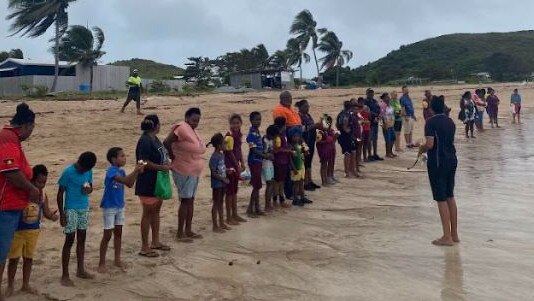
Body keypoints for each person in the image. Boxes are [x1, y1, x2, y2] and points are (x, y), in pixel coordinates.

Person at [0, 103, 38, 301]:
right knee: (1, 251)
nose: (30, 134)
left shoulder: (12, 138)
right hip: (5, 205)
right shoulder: (8, 138)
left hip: (12, 205)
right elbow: (11, 171)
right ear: (26, 126)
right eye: (31, 129)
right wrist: (31, 189)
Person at [6, 165, 58, 297]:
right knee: (14, 259)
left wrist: (52, 216)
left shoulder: (42, 194)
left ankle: (25, 284)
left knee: (28, 258)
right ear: (30, 180)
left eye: (44, 183)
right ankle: (10, 285)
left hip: (33, 231)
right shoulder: (22, 192)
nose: (41, 185)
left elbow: (45, 210)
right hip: (17, 232)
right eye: (38, 182)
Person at [418, 95, 459, 247]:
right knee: (450, 196)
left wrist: (420, 147)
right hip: (452, 159)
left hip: (438, 162)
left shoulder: (430, 122)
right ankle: (454, 234)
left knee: (441, 198)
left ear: (431, 108)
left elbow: (429, 144)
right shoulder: (450, 121)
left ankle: (446, 237)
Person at [98, 147, 144, 273]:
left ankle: (117, 259)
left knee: (118, 233)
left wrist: (137, 172)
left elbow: (129, 184)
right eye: (122, 156)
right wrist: (136, 171)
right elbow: (125, 181)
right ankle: (101, 262)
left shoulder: (121, 171)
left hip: (119, 205)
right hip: (109, 205)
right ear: (114, 159)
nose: (124, 158)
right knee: (107, 235)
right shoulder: (111, 171)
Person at [163, 108, 207, 241]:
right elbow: (166, 142)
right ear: (187, 118)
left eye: (197, 121)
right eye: (193, 120)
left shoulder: (192, 130)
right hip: (183, 169)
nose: (195, 123)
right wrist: (173, 157)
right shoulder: (181, 128)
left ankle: (188, 229)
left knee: (190, 200)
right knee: (185, 200)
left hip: (193, 169)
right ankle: (180, 233)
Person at [57, 151, 97, 286]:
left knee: (82, 237)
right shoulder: (68, 172)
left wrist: (89, 190)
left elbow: (90, 187)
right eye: (83, 168)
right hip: (71, 207)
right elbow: (60, 193)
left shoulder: (88, 171)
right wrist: (62, 214)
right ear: (79, 163)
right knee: (69, 239)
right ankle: (65, 274)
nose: (84, 171)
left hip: (83, 207)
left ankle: (80, 269)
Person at [136, 115, 172, 255]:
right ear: (156, 125)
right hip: (147, 181)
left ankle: (155, 241)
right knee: (147, 213)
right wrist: (160, 167)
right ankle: (145, 247)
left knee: (156, 211)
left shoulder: (153, 138)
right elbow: (142, 161)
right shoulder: (145, 140)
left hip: (157, 181)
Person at [272, 91, 302, 200]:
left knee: (296, 165)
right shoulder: (279, 110)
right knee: (288, 169)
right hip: (287, 140)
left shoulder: (291, 108)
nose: (290, 99)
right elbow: (282, 126)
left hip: (295, 139)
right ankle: (288, 192)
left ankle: (295, 190)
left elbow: (297, 122)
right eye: (287, 97)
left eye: (290, 97)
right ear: (282, 98)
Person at [223, 114, 247, 224]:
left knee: (234, 191)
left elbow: (239, 149)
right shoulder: (230, 136)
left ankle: (235, 214)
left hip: (235, 165)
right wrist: (237, 166)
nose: (235, 125)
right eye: (233, 123)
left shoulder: (239, 135)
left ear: (241, 123)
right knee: (229, 192)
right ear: (230, 124)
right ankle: (229, 217)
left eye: (237, 123)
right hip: (229, 166)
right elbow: (229, 152)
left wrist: (242, 162)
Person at [296, 99, 322, 191]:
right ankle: (305, 183)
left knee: (309, 162)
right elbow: (301, 129)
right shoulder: (298, 116)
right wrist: (314, 126)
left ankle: (309, 181)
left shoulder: (308, 115)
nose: (308, 108)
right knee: (305, 162)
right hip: (304, 142)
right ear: (300, 107)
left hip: (311, 141)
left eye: (308, 106)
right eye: (306, 106)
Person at [207, 133, 230, 233]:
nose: (225, 146)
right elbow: (213, 173)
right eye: (224, 144)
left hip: (222, 182)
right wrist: (223, 179)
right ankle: (215, 225)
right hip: (217, 184)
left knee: (221, 202)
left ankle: (221, 222)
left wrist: (227, 170)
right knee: (216, 203)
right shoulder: (214, 157)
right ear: (219, 145)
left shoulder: (221, 155)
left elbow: (221, 168)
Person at [246, 112, 267, 217]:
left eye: (259, 119)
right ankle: (251, 208)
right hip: (254, 161)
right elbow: (253, 150)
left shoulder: (257, 132)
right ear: (251, 121)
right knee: (256, 185)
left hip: (258, 161)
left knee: (257, 185)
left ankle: (256, 207)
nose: (258, 122)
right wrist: (265, 156)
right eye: (256, 120)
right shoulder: (251, 134)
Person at [273, 117, 293, 208]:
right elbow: (277, 150)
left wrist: (288, 147)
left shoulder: (283, 135)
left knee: (281, 181)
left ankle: (281, 199)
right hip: (279, 162)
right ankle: (277, 201)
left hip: (284, 161)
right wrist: (287, 150)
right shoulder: (277, 136)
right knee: (278, 182)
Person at [288, 127, 311, 206]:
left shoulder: (299, 145)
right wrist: (293, 168)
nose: (297, 138)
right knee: (295, 184)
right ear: (291, 137)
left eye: (298, 136)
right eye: (295, 136)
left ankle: (302, 197)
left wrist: (305, 153)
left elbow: (301, 155)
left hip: (301, 166)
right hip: (296, 168)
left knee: (301, 182)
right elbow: (290, 159)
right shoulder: (291, 146)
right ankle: (295, 199)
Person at [336, 101, 356, 177]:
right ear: (350, 107)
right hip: (345, 136)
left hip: (344, 136)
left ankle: (350, 171)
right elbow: (345, 127)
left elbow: (337, 125)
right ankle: (348, 172)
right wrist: (349, 132)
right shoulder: (346, 115)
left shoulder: (341, 114)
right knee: (348, 153)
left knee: (351, 152)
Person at [316, 115, 337, 186]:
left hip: (327, 150)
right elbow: (318, 142)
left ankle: (326, 180)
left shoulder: (326, 131)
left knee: (325, 166)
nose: (329, 125)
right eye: (327, 123)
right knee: (323, 166)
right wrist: (328, 140)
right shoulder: (320, 132)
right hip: (323, 152)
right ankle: (324, 182)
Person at [365, 89, 384, 160]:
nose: (371, 94)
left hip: (375, 122)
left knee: (375, 139)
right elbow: (368, 111)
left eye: (372, 93)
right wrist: (376, 115)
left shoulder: (375, 101)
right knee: (369, 139)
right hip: (369, 122)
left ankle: (375, 154)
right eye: (369, 93)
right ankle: (369, 155)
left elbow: (378, 109)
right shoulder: (365, 102)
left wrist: (379, 115)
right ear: (366, 94)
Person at [262, 125, 278, 211]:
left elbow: (272, 150)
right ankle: (267, 204)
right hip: (265, 164)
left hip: (270, 163)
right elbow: (263, 152)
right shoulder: (264, 140)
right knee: (269, 184)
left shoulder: (271, 140)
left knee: (271, 182)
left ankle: (269, 203)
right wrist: (268, 155)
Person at [380, 93, 397, 158]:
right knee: (388, 139)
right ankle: (388, 153)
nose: (388, 98)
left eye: (388, 97)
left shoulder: (389, 105)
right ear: (383, 98)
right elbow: (382, 115)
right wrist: (384, 124)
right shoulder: (383, 105)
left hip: (391, 124)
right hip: (386, 125)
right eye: (387, 97)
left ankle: (390, 152)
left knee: (393, 138)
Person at [349, 98, 363, 176]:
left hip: (358, 135)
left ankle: (356, 168)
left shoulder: (356, 115)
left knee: (357, 152)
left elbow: (359, 124)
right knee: (353, 153)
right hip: (353, 137)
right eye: (355, 109)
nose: (356, 110)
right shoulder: (350, 116)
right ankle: (352, 169)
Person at [358, 98, 371, 162]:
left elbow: (369, 118)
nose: (362, 104)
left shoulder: (366, 109)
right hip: (361, 129)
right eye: (361, 102)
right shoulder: (357, 110)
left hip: (367, 128)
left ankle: (365, 157)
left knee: (365, 143)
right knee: (360, 144)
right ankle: (359, 158)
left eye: (363, 102)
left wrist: (367, 111)